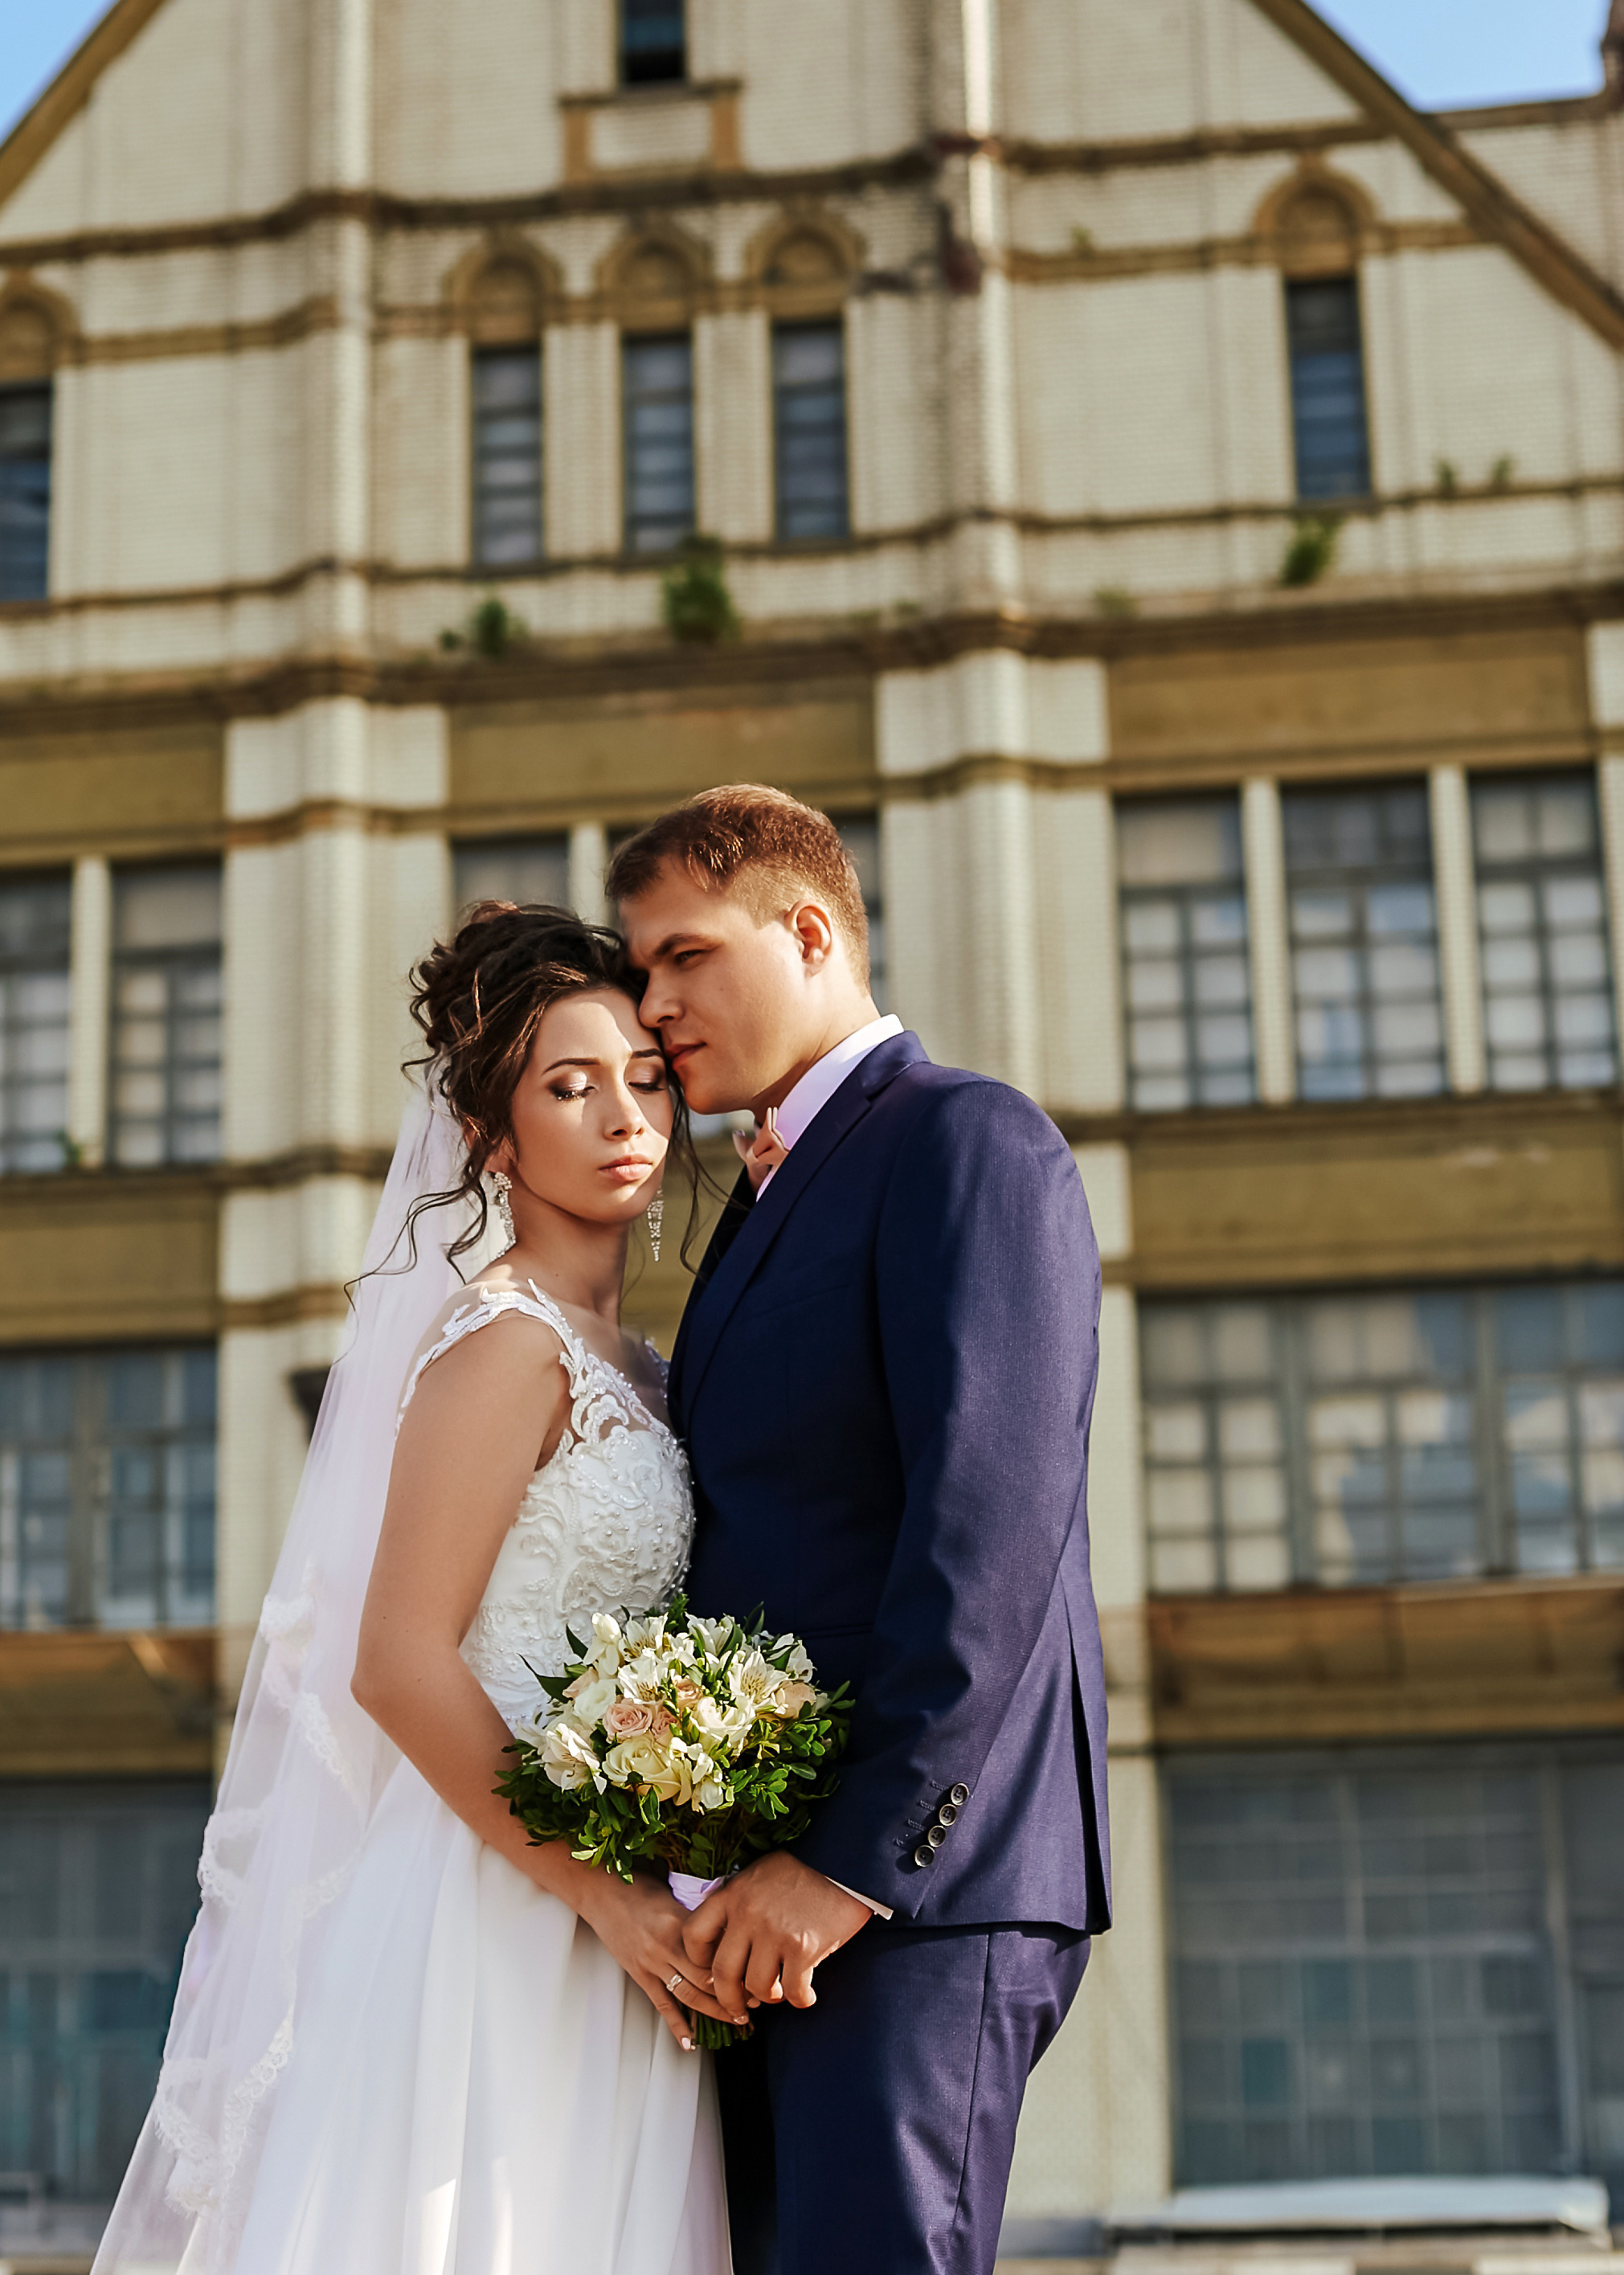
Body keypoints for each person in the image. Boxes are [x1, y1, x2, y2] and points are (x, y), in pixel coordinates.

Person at [92, 902, 734, 2275]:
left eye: (642, 1076)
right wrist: (600, 1889)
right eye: (569, 1085)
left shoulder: (641, 1365)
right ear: (494, 1138)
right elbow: (395, 1659)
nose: (623, 1113)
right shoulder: (503, 1343)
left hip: (613, 1894)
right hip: (494, 1898)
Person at [611, 787, 1111, 2275]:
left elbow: (990, 1526)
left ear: (810, 929)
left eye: (685, 955)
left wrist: (851, 1863)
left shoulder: (969, 1141)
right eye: (642, 970)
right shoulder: (757, 1204)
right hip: (762, 1906)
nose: (655, 1005)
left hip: (912, 1897)